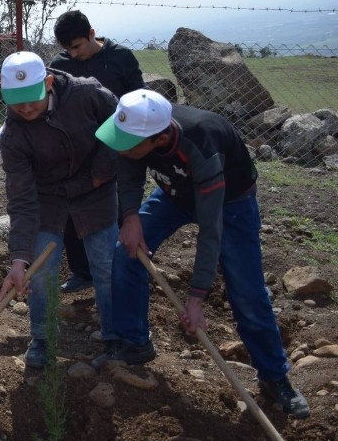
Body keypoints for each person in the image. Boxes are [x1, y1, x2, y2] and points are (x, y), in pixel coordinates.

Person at [91, 89, 309, 419]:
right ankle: (134, 343)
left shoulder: (202, 145)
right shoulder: (138, 128)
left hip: (229, 204)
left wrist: (195, 299)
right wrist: (131, 216)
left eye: (128, 142)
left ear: (159, 137)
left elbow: (211, 231)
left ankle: (274, 377)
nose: (120, 147)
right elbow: (128, 165)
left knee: (247, 292)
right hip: (172, 195)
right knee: (127, 252)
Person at [0, 51, 119, 368]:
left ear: (49, 83)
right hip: (47, 197)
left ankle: (116, 338)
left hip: (95, 189)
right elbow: (21, 197)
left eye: (31, 99)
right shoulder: (12, 135)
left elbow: (121, 125)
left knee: (106, 267)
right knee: (41, 272)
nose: (24, 109)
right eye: (15, 101)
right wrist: (19, 258)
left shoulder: (88, 94)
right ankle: (43, 338)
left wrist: (102, 172)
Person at [50, 10, 145, 294]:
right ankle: (83, 271)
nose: (73, 54)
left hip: (119, 149)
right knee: (70, 214)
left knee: (119, 210)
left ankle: (122, 268)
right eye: (67, 49)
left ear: (92, 33)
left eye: (77, 46)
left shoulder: (122, 58)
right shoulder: (60, 65)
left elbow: (139, 100)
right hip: (76, 155)